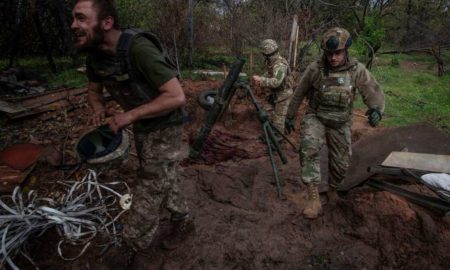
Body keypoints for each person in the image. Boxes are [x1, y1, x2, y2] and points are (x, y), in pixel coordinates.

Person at [71, 0, 194, 262]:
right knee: (162, 174)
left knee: (150, 182)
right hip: (141, 124)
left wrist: (127, 116)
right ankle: (183, 219)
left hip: (165, 123)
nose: (74, 25)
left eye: (81, 18)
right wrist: (97, 107)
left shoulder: (139, 48)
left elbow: (176, 96)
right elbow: (94, 91)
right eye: (73, 19)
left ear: (106, 23)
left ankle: (131, 245)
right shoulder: (95, 53)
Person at [285, 27, 384, 219]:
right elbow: (299, 93)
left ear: (346, 51)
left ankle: (332, 189)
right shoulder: (315, 69)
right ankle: (313, 198)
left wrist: (376, 110)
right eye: (329, 53)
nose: (333, 58)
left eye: (337, 53)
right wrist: (289, 115)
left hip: (341, 121)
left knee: (341, 164)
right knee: (309, 147)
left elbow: (372, 90)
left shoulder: (357, 71)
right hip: (317, 116)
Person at [252, 39, 293, 139]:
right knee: (266, 112)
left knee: (278, 120)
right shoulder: (272, 62)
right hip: (275, 94)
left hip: (283, 94)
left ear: (268, 53)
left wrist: (261, 80)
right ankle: (270, 133)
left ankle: (277, 139)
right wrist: (261, 78)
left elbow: (276, 82)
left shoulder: (280, 64)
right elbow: (269, 74)